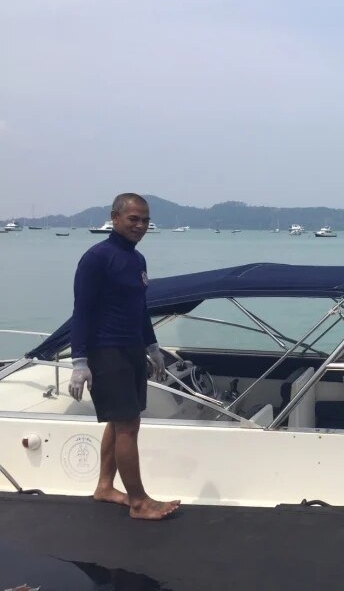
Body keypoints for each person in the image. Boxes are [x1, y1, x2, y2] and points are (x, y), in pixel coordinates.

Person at [68, 193, 180, 520]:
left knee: (123, 423)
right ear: (115, 218)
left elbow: (139, 309)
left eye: (145, 219)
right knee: (128, 425)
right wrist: (79, 361)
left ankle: (105, 487)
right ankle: (139, 501)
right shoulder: (96, 258)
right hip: (106, 350)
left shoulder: (137, 260)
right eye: (133, 219)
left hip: (132, 349)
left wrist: (153, 347)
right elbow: (82, 312)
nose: (141, 225)